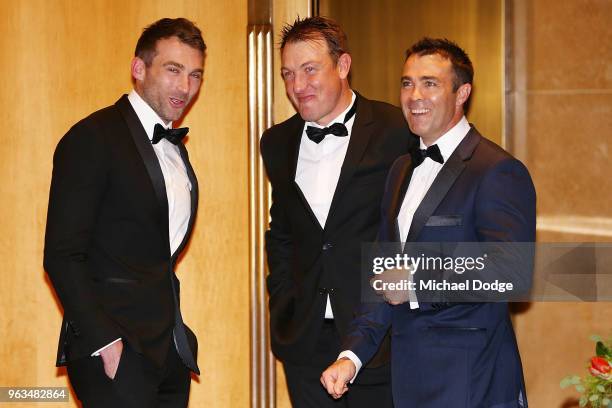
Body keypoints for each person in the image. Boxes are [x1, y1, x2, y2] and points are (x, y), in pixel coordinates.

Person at [321, 38, 535, 408]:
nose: (414, 95)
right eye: (407, 83)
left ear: (462, 92)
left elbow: (513, 272)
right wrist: (351, 357)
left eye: (430, 83)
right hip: (408, 381)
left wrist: (417, 281)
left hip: (472, 382)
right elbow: (385, 275)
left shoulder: (497, 170)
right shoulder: (400, 170)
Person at [44, 18, 205, 407]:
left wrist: (177, 341)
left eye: (195, 74)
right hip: (114, 352)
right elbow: (62, 254)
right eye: (173, 70)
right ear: (139, 69)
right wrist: (105, 342)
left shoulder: (175, 151)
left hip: (170, 352)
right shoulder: (93, 137)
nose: (185, 87)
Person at [260, 16, 415, 408]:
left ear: (343, 66)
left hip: (378, 335)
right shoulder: (276, 142)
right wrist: (282, 303)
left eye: (310, 69)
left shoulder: (397, 129)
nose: (297, 85)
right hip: (304, 336)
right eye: (288, 73)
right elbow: (281, 233)